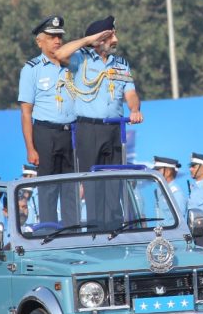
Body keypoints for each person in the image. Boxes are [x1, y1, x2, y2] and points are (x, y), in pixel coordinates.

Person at [18, 15, 110, 224]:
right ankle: (49, 232)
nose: (57, 41)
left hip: (72, 132)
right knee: (48, 188)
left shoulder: (73, 63)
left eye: (59, 36)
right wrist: (30, 148)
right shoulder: (32, 69)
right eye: (51, 37)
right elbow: (25, 112)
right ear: (39, 41)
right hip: (45, 133)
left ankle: (73, 232)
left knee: (72, 187)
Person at [55, 16, 142, 203]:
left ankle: (114, 227)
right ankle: (97, 228)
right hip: (89, 129)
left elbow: (131, 94)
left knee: (114, 182)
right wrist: (87, 40)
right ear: (100, 40)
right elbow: (59, 55)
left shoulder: (121, 64)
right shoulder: (81, 59)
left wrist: (134, 109)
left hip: (114, 129)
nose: (115, 41)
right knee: (92, 183)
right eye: (111, 36)